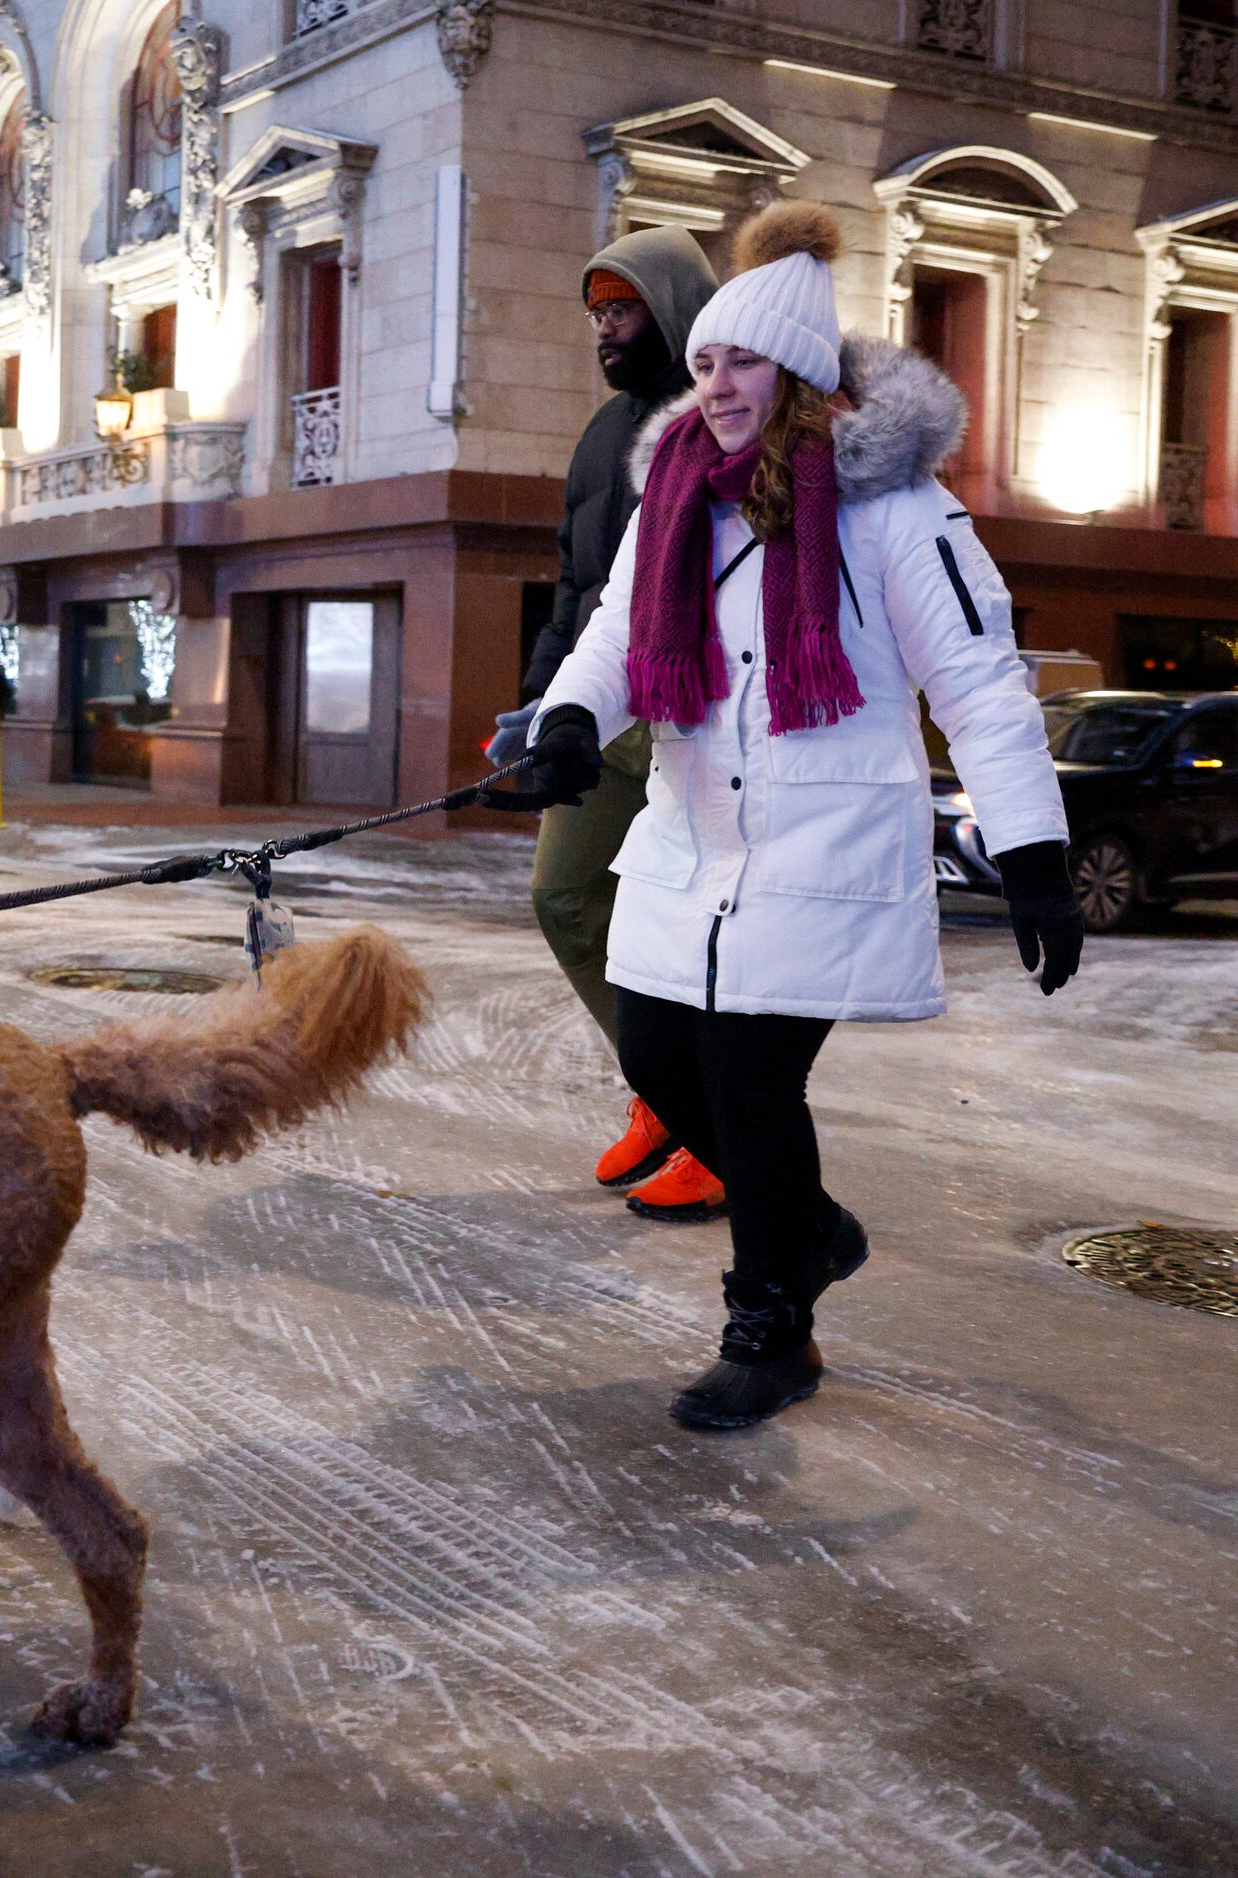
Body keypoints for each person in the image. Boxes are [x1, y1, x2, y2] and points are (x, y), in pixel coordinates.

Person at [518, 200, 1082, 1430]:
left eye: (742, 363)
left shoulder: (894, 509)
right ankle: (810, 1227)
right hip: (690, 837)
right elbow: (613, 635)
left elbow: (980, 680)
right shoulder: (674, 490)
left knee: (749, 1081)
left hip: (821, 842)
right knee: (655, 1056)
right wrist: (568, 717)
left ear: (800, 376)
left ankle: (770, 1325)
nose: (715, 384)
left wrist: (1030, 846)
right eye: (706, 359)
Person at [502, 226, 726, 1219]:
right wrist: (538, 705)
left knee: (686, 931)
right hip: (599, 712)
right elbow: (574, 584)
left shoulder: (721, 417)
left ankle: (713, 1130)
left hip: (693, 715)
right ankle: (662, 1095)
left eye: (621, 309)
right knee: (562, 896)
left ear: (672, 308)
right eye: (595, 312)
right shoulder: (601, 435)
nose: (603, 328)